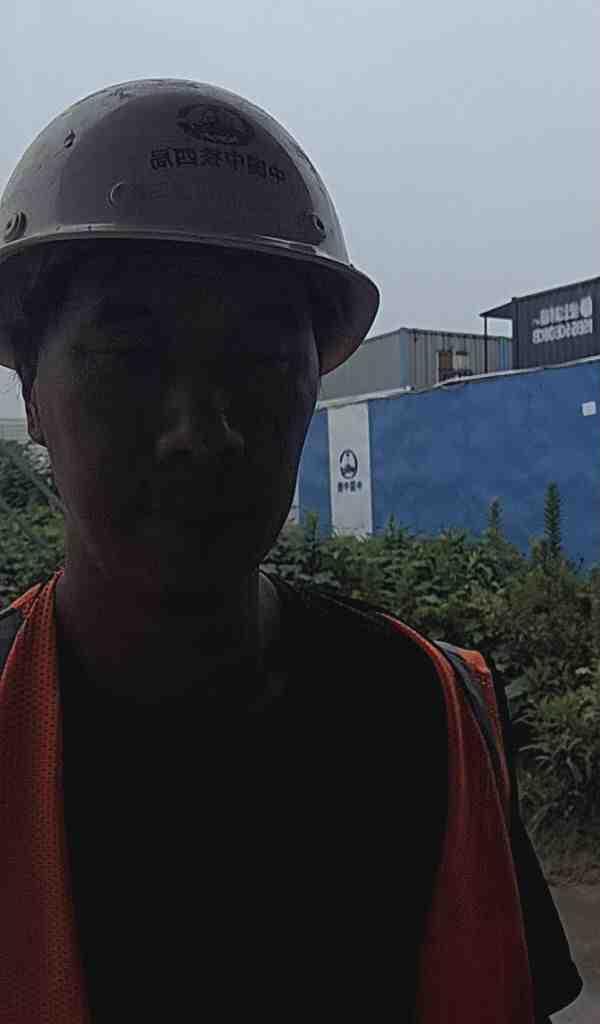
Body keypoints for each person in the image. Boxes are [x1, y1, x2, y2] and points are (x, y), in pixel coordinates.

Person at [0, 80, 583, 1023]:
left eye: (259, 360)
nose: (200, 433)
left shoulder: (433, 716)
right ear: (33, 395)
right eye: (130, 357)